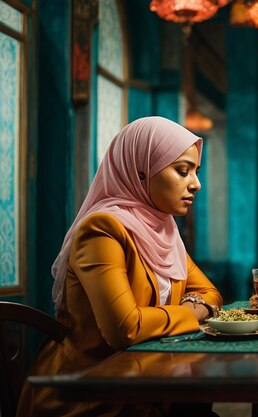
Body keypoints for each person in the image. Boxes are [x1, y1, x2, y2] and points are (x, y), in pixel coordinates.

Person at [17, 117, 223, 417]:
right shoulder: (103, 230)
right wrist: (194, 310)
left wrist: (191, 307)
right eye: (183, 171)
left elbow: (212, 294)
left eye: (196, 171)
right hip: (87, 394)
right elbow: (124, 329)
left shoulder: (162, 230)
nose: (196, 184)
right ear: (141, 171)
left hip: (143, 385)